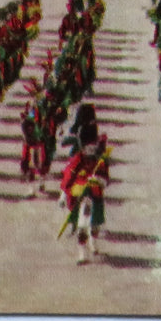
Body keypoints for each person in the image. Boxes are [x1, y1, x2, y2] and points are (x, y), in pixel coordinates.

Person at [59, 106, 110, 264]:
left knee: (95, 225)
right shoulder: (78, 158)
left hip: (95, 194)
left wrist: (100, 180)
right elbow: (69, 175)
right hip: (81, 196)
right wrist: (63, 194)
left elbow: (105, 176)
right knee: (82, 226)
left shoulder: (99, 159)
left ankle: (93, 241)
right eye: (87, 146)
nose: (90, 149)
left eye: (92, 146)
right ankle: (82, 253)